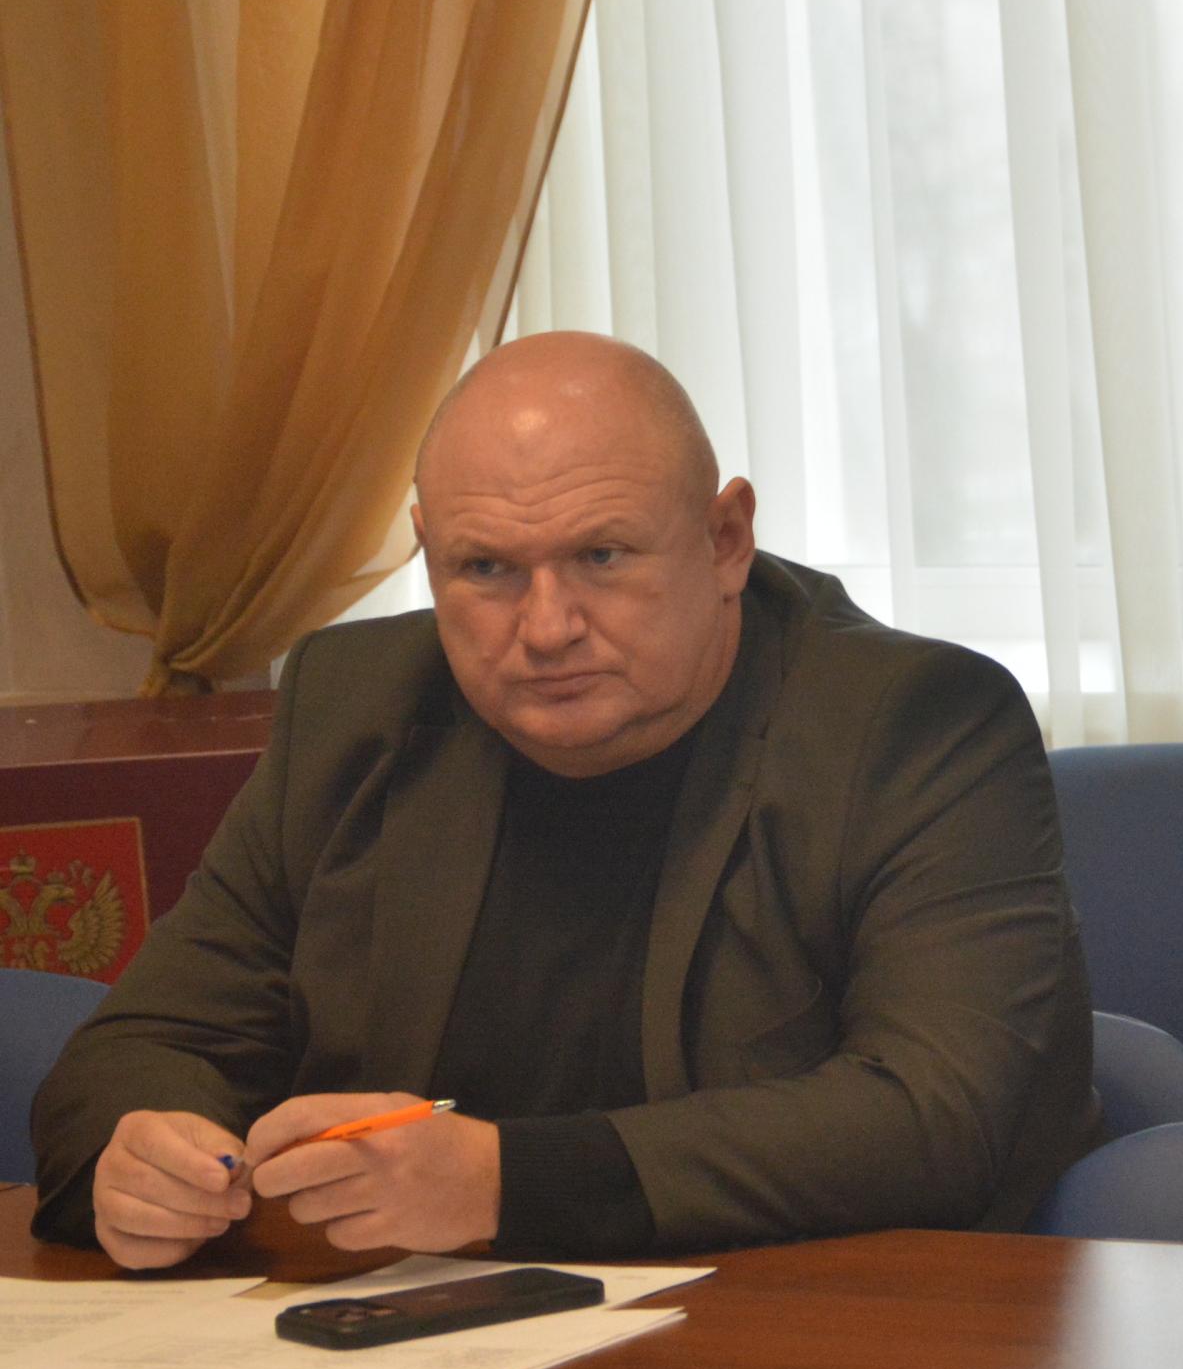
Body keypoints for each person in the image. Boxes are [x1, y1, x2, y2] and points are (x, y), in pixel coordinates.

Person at [30, 332, 1096, 1266]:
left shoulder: (915, 724)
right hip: (439, 1357)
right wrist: (151, 1156)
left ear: (726, 539)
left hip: (821, 1345)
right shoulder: (354, 710)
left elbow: (932, 1117)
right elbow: (133, 1052)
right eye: (486, 569)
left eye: (601, 555)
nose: (546, 628)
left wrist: (500, 1181)